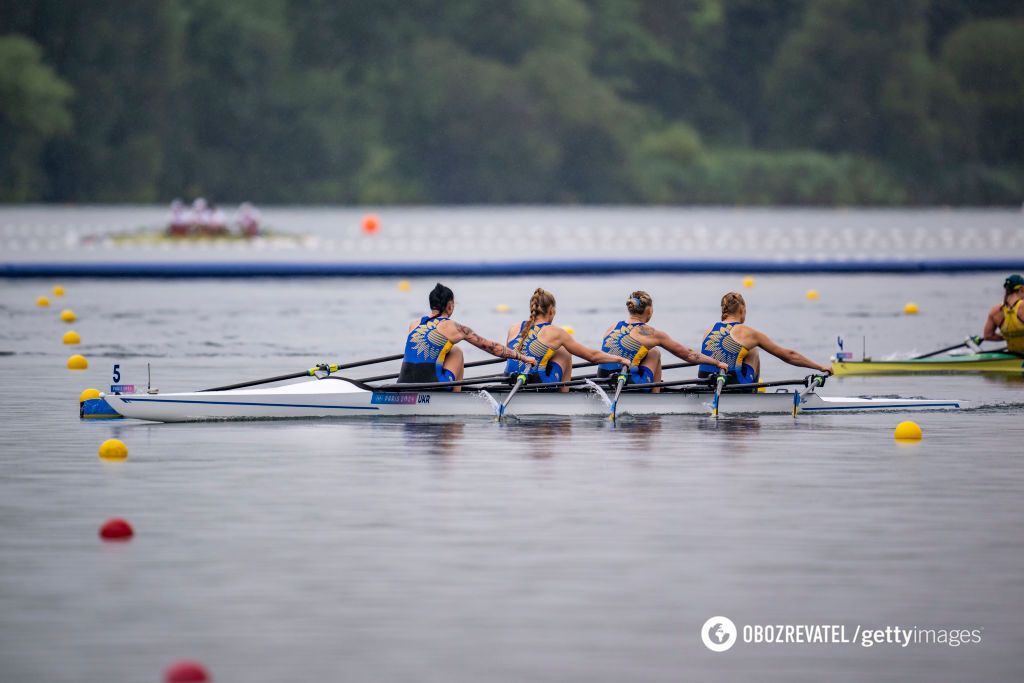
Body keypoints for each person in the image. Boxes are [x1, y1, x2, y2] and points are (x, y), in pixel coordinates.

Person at [397, 283, 535, 390]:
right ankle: (455, 401)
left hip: (402, 383)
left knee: (444, 351)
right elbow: (493, 348)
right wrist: (524, 357)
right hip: (432, 384)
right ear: (450, 306)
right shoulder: (455, 327)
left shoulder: (414, 324)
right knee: (457, 352)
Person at [597, 291, 727, 392]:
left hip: (602, 381)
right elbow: (688, 355)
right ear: (649, 310)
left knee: (643, 352)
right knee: (654, 352)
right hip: (625, 382)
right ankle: (655, 399)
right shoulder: (651, 333)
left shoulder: (611, 328)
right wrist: (716, 362)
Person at [504, 288, 628, 391]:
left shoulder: (513, 328)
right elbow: (592, 356)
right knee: (564, 353)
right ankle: (564, 400)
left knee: (548, 354)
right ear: (551, 310)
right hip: (536, 382)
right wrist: (620, 359)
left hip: (508, 380)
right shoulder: (556, 332)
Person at [697, 292, 831, 385]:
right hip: (732, 384)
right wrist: (820, 367)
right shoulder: (748, 333)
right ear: (742, 310)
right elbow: (789, 356)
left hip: (705, 382)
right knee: (753, 349)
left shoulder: (709, 329)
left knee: (737, 353)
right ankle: (752, 394)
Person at [982, 274, 1024, 353]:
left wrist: (1008, 336)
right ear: (1022, 289)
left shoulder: (995, 310)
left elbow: (988, 336)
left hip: (1013, 355)